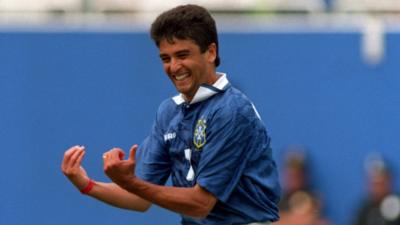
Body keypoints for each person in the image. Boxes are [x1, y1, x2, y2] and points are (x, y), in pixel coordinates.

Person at [61, 4, 281, 225]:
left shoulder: (232, 111)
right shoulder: (169, 112)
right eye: (166, 59)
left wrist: (131, 183)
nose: (174, 67)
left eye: (182, 55)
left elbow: (201, 204)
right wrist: (86, 184)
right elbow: (140, 199)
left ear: (211, 52)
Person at [275, 150, 330, 225]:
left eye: (298, 174)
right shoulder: (277, 200)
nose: (294, 177)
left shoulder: (314, 198)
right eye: (291, 174)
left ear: (305, 174)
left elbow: (317, 220)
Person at [353, 154, 400, 225]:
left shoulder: (397, 204)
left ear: (389, 181)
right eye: (374, 183)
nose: (377, 188)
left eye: (380, 183)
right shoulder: (364, 209)